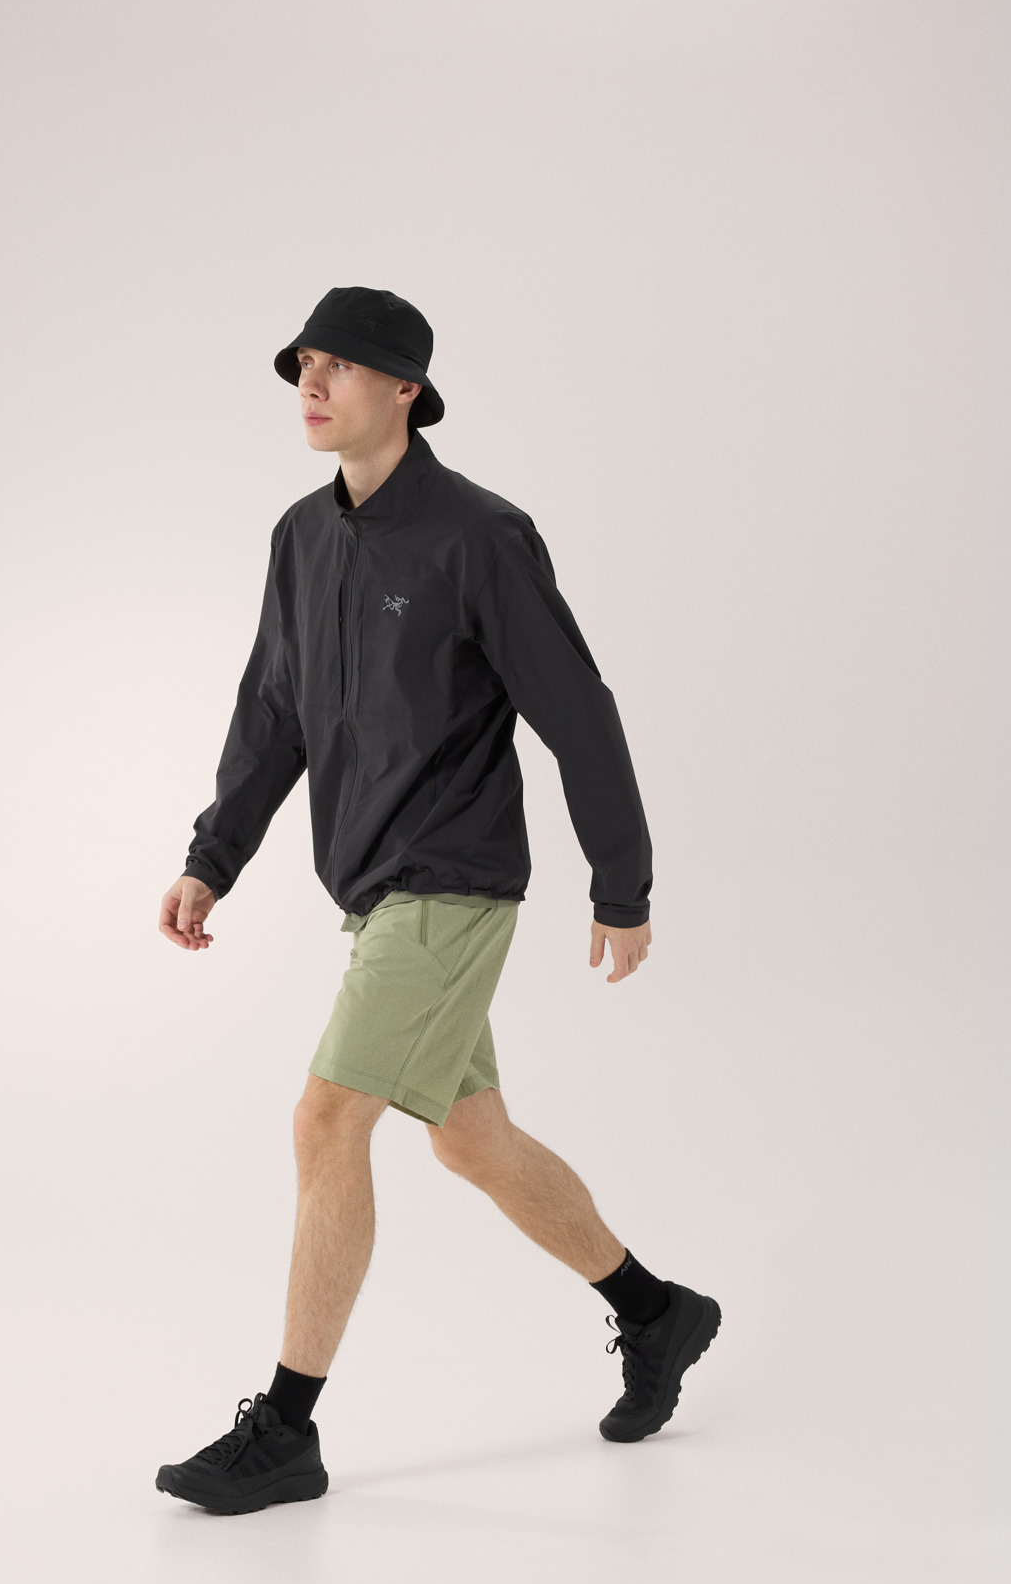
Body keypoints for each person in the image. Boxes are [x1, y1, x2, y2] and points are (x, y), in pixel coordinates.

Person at [154, 285, 720, 1516]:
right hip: (370, 888)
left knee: (326, 1121)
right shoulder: (301, 538)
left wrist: (621, 882)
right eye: (303, 363)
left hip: (452, 878)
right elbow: (272, 712)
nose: (312, 384)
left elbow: (577, 710)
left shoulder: (480, 536)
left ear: (405, 388)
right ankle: (657, 1310)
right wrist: (214, 854)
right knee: (471, 1137)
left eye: (341, 365)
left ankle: (287, 1429)